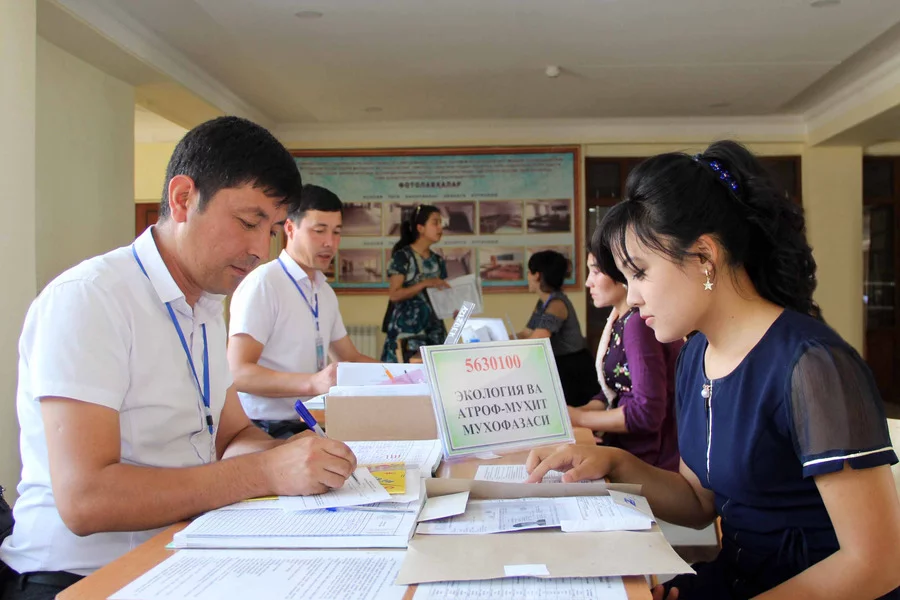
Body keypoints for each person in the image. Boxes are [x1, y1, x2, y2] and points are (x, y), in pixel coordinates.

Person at [0, 117, 357, 600]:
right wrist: (264, 472)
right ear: (183, 198)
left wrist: (299, 461)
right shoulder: (91, 299)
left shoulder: (206, 306)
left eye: (271, 230)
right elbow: (85, 500)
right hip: (78, 578)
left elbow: (234, 433)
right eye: (249, 222)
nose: (259, 249)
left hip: (179, 553)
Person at [525, 141, 900, 600]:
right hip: (736, 580)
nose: (634, 297)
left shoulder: (812, 365)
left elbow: (876, 565)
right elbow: (699, 502)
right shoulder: (695, 354)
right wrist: (613, 462)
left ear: (704, 257)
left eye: (639, 273)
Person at [228, 184, 378, 438]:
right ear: (290, 228)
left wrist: (410, 374)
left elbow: (349, 358)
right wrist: (312, 383)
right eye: (319, 231)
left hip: (310, 422)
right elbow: (238, 372)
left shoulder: (323, 290)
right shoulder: (264, 284)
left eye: (336, 232)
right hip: (263, 427)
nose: (329, 243)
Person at [573, 239, 682, 471]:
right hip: (631, 451)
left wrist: (579, 419)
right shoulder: (620, 319)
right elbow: (616, 388)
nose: (587, 282)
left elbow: (647, 412)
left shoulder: (637, 325)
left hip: (651, 461)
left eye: (595, 272)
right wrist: (574, 414)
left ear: (622, 275)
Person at [518, 250, 600, 406]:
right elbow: (526, 332)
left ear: (537, 275)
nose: (527, 277)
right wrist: (497, 337)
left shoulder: (556, 304)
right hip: (561, 364)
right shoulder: (543, 303)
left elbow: (538, 338)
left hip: (573, 369)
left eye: (529, 272)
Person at [381, 204, 450, 362]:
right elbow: (394, 295)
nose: (440, 228)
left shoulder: (438, 261)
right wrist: (424, 283)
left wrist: (452, 306)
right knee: (406, 379)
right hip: (408, 332)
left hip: (434, 331)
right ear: (420, 228)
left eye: (441, 223)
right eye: (435, 222)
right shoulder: (402, 257)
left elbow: (440, 296)